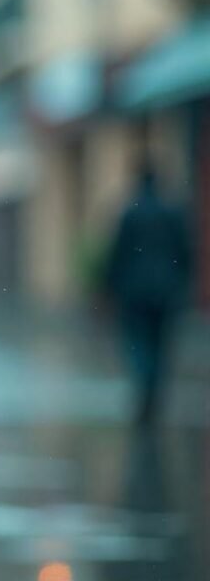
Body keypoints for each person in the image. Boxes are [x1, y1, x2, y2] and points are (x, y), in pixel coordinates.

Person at [106, 162, 192, 424]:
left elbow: (117, 254)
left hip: (134, 293)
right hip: (165, 292)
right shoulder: (173, 212)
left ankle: (144, 388)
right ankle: (154, 392)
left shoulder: (130, 213)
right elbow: (185, 253)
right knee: (160, 344)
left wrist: (110, 287)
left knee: (139, 344)